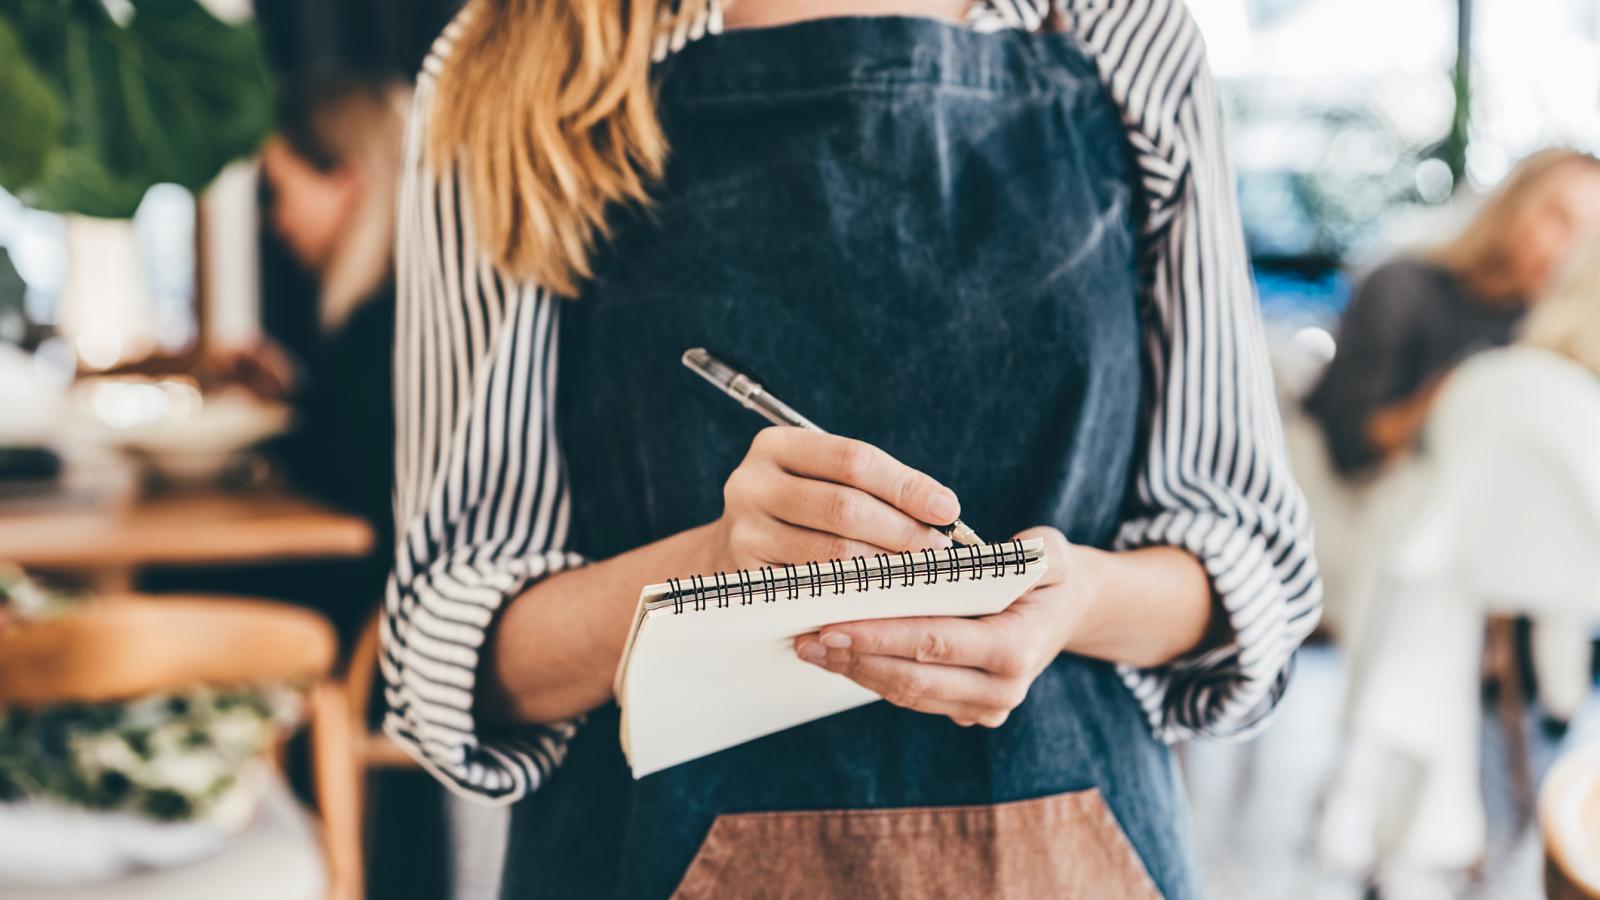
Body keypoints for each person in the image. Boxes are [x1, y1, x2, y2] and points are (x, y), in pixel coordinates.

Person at [383, 2, 1321, 897]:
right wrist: (709, 569)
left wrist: (1076, 596)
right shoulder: (514, 53)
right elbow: (447, 641)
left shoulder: (1123, 31)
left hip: (1072, 857)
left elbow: (1247, 566)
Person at [1305, 149, 1600, 478]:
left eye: (1589, 237)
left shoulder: (1540, 333)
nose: (1568, 251)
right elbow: (1346, 442)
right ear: (1514, 203)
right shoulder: (1402, 287)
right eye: (1558, 218)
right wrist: (1453, 395)